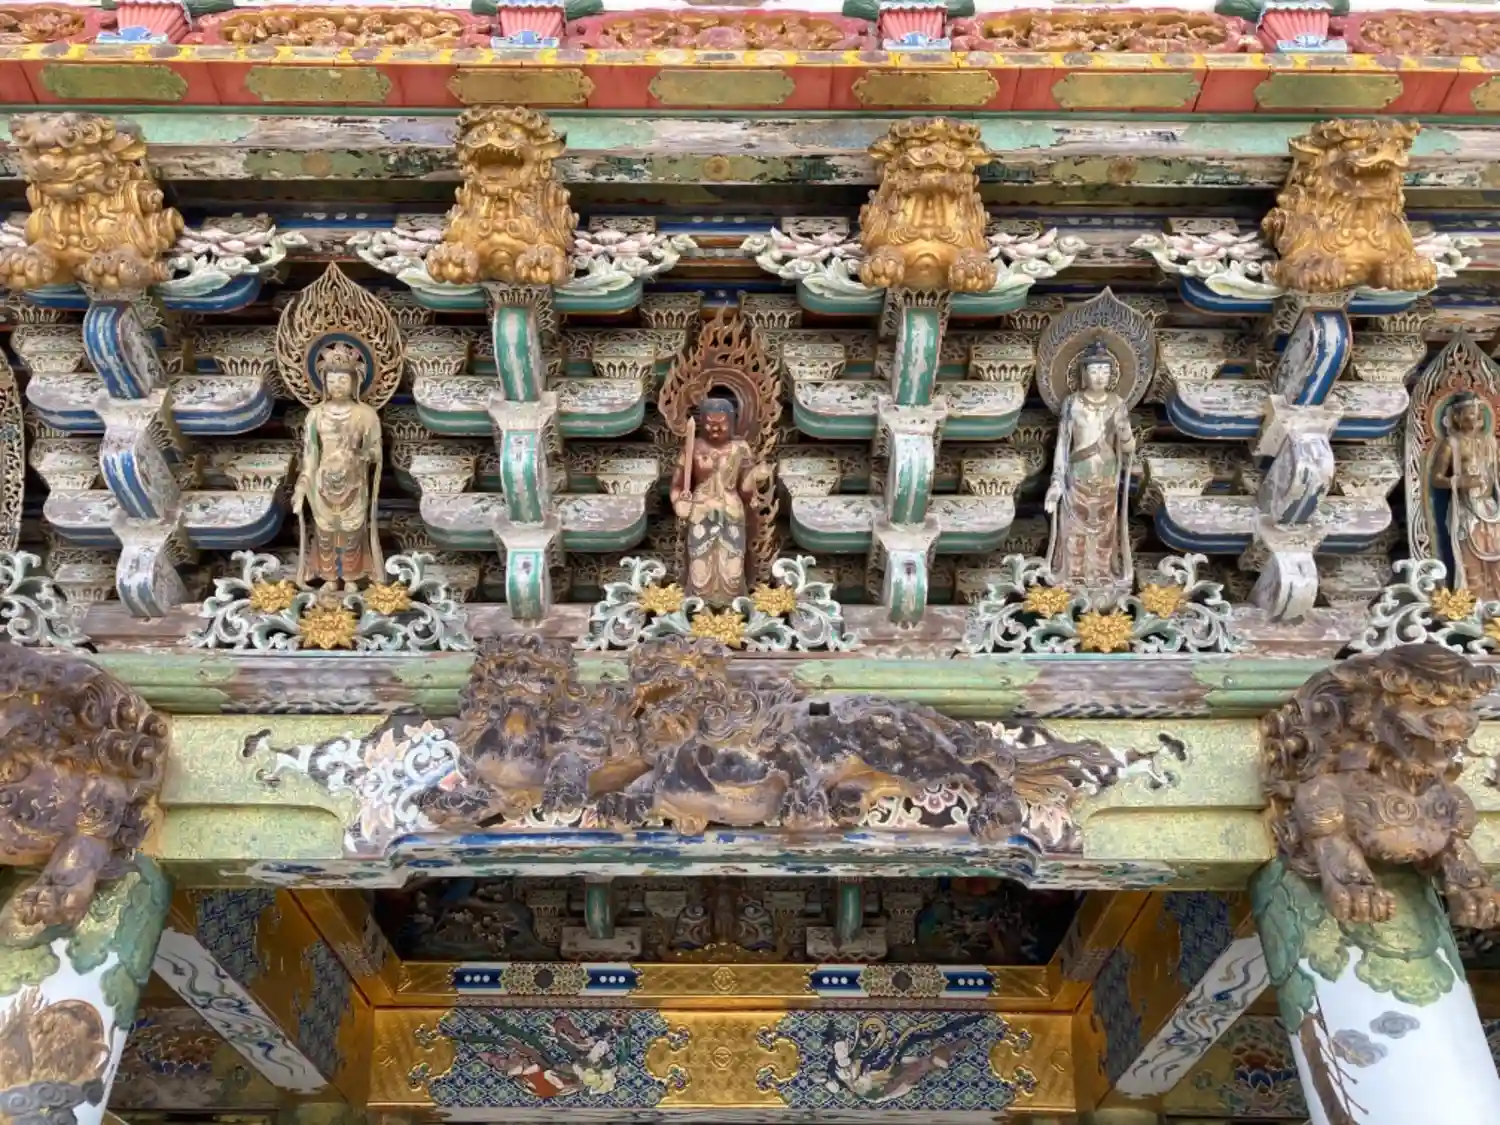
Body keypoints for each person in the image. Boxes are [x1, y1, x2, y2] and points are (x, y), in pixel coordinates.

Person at [1044, 340, 1135, 590]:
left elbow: (1129, 447)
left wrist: (1125, 432)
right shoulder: (1072, 403)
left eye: (1105, 371)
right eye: (1094, 370)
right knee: (1075, 527)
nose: (1100, 376)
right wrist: (1056, 482)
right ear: (1084, 373)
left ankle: (1102, 572)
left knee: (1105, 528)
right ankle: (1074, 573)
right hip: (1078, 474)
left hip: (1107, 475)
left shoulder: (1117, 403)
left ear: (1112, 374)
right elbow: (1063, 444)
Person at [291, 348, 384, 589]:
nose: (337, 385)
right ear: (323, 382)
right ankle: (329, 578)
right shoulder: (315, 415)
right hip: (323, 482)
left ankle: (351, 577)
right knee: (325, 532)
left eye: (343, 380)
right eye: (331, 380)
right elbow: (310, 455)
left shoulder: (366, 415)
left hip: (354, 480)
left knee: (352, 532)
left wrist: (361, 455)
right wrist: (301, 487)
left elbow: (376, 450)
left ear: (355, 382)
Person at [670, 396, 771, 606]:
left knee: (732, 570)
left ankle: (733, 608)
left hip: (731, 511)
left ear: (732, 422)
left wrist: (755, 477)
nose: (715, 429)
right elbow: (677, 485)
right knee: (700, 569)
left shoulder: (740, 448)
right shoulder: (693, 447)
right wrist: (679, 502)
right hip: (700, 511)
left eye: (721, 424)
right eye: (709, 423)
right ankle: (698, 607)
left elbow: (745, 491)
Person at [1434, 391, 1500, 600]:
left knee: (1496, 560)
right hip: (1466, 512)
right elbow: (1436, 478)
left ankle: (1495, 603)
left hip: (1490, 508)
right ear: (1457, 416)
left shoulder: (1491, 442)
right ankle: (1473, 604)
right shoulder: (1451, 444)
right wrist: (1459, 481)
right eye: (1471, 412)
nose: (1476, 416)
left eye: (1479, 411)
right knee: (1471, 562)